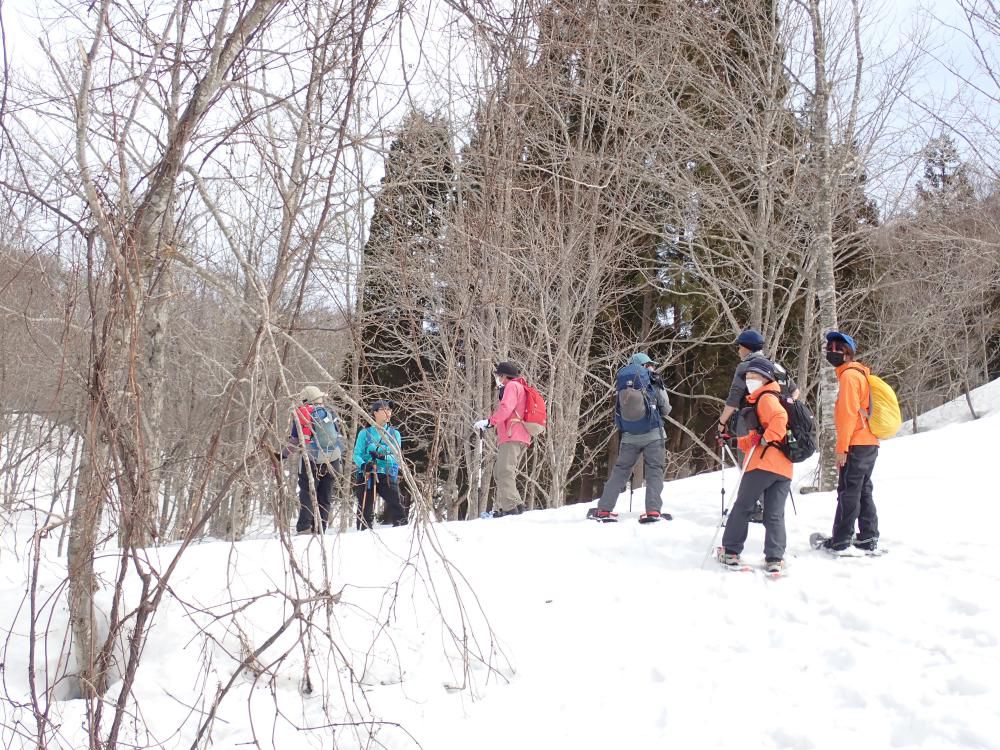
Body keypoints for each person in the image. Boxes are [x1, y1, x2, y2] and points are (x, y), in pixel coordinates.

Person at [717, 359, 791, 574]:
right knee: (774, 513)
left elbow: (779, 419)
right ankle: (774, 558)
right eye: (747, 377)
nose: (749, 380)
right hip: (783, 467)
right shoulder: (771, 397)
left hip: (762, 463)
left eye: (754, 377)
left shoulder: (766, 398)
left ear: (766, 378)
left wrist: (766, 439)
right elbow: (754, 438)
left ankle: (730, 551)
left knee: (743, 507)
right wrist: (734, 439)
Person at [717, 329, 798, 523]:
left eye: (739, 347)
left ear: (745, 348)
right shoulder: (774, 365)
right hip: (778, 424)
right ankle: (771, 510)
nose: (738, 350)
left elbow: (734, 398)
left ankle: (755, 507)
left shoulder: (746, 366)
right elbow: (796, 392)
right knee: (773, 461)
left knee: (751, 461)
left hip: (752, 420)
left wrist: (721, 422)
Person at [589, 352, 672, 522]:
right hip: (654, 434)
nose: (653, 367)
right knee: (654, 470)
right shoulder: (654, 380)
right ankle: (653, 511)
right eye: (650, 364)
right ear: (645, 366)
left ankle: (604, 509)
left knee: (620, 471)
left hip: (629, 436)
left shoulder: (623, 383)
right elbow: (666, 409)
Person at [822, 331, 880, 553]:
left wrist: (841, 449)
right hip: (868, 442)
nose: (831, 352)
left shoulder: (849, 377)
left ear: (847, 353)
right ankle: (868, 536)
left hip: (856, 443)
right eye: (829, 347)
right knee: (862, 489)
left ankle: (841, 539)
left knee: (848, 491)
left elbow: (847, 415)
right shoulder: (858, 374)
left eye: (836, 348)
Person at [279, 385, 343, 534]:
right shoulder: (330, 412)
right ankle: (320, 529)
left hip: (312, 459)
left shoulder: (302, 414)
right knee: (325, 497)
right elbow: (338, 437)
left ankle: (304, 528)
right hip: (332, 460)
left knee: (308, 493)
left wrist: (281, 456)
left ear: (305, 400)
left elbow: (295, 441)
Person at [473, 361, 532, 517]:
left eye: (498, 375)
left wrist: (490, 422)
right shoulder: (518, 387)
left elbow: (506, 407)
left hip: (512, 434)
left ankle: (511, 508)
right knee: (503, 471)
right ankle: (515, 506)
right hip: (516, 435)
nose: (497, 378)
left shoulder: (512, 386)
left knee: (503, 471)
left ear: (504, 376)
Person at [353, 400, 407, 529]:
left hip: (386, 474)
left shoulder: (395, 433)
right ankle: (363, 532)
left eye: (389, 410)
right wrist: (363, 465)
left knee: (396, 504)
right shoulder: (364, 433)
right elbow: (356, 454)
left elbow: (396, 456)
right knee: (365, 507)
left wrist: (383, 456)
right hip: (367, 473)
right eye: (384, 410)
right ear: (375, 413)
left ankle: (402, 530)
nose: (388, 412)